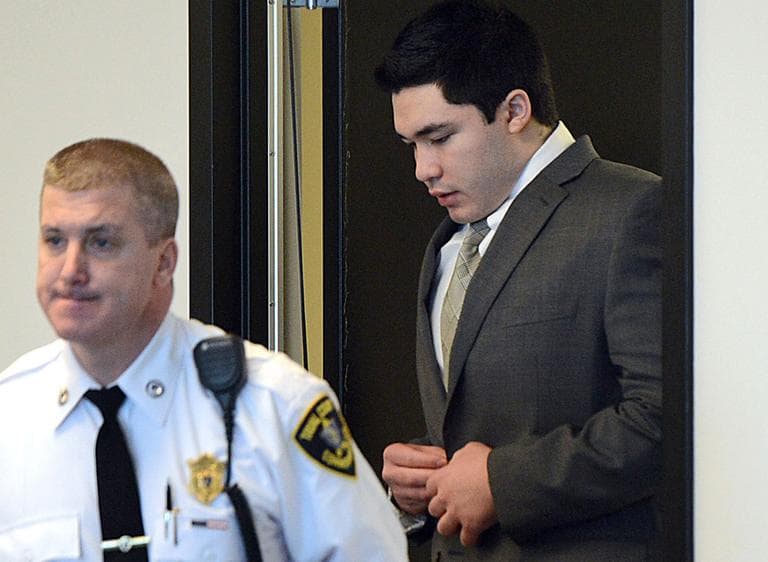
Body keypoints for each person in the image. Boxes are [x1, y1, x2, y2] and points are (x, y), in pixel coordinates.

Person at [0, 138, 408, 561]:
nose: (70, 271)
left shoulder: (273, 404)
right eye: (54, 240)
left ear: (164, 262)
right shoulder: (9, 416)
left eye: (101, 242)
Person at [375, 1, 662, 560]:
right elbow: (482, 422)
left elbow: (667, 418)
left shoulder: (632, 208)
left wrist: (503, 483)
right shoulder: (446, 242)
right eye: (412, 145)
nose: (422, 169)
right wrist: (420, 480)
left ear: (513, 109)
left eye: (439, 137)